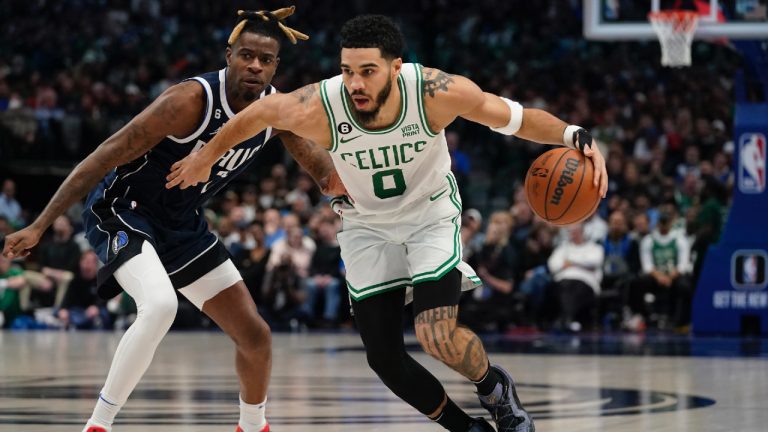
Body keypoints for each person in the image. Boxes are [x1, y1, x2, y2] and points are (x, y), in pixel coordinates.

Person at [167, 15, 608, 432]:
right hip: (365, 224)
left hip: (428, 215)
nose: (355, 83)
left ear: (397, 67)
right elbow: (257, 116)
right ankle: (465, 427)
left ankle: (495, 388)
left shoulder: (435, 92)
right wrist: (204, 156)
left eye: (368, 71)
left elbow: (514, 117)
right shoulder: (321, 104)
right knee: (383, 357)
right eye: (347, 71)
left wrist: (575, 136)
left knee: (435, 334)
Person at [3, 7, 342, 432]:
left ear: (276, 66)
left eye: (266, 59)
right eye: (247, 55)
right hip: (124, 209)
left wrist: (355, 182)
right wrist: (40, 223)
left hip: (182, 223)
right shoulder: (189, 101)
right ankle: (98, 425)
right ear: (229, 55)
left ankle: (253, 427)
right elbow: (106, 153)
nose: (255, 65)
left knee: (255, 336)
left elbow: (324, 173)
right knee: (160, 305)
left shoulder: (275, 110)